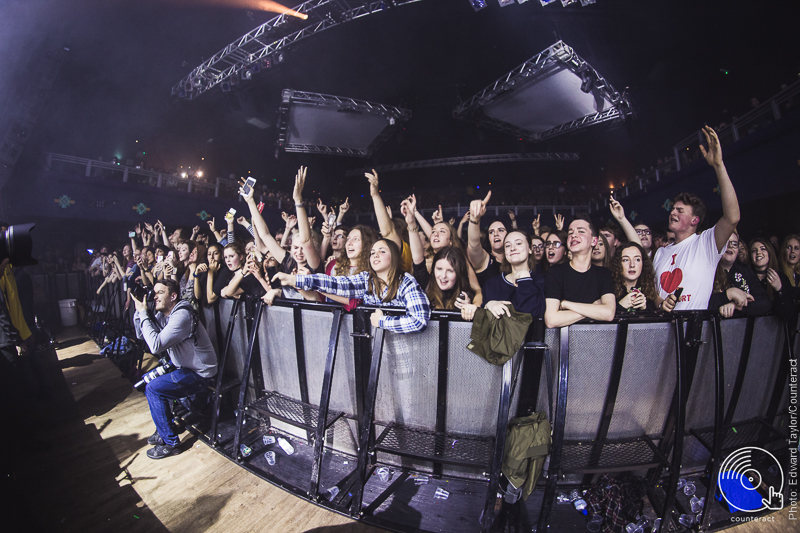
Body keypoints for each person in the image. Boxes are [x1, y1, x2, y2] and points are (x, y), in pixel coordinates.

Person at [653, 126, 740, 311]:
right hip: (664, 334)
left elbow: (732, 218)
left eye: (680, 210)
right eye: (673, 209)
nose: (673, 213)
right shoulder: (660, 253)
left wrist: (718, 166)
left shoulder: (705, 244)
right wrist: (662, 304)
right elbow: (656, 296)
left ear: (695, 220)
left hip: (693, 332)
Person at [132, 279, 218, 459]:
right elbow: (142, 335)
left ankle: (171, 443)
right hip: (184, 367)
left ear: (173, 296)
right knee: (147, 381)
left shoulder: (182, 315)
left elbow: (155, 345)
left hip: (200, 374)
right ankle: (164, 427)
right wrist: (140, 310)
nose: (154, 296)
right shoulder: (165, 315)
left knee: (154, 389)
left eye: (159, 293)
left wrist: (144, 314)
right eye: (153, 293)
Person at [273, 239, 431, 334]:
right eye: (372, 252)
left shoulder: (406, 282)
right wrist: (296, 280)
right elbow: (336, 283)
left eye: (382, 251)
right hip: (377, 352)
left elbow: (419, 319)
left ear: (394, 257)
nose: (375, 255)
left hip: (405, 352)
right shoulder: (366, 279)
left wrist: (382, 321)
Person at [544, 216, 616, 328]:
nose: (573, 235)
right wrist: (593, 307)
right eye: (570, 232)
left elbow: (608, 313)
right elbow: (552, 320)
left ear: (594, 241)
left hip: (597, 339)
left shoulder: (603, 274)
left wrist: (567, 304)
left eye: (581, 231)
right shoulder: (555, 272)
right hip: (565, 342)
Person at [707, 231, 768, 317]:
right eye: (726, 242)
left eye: (734, 244)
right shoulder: (708, 270)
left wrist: (736, 306)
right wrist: (728, 295)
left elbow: (764, 302)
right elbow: (700, 303)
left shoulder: (744, 270)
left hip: (742, 327)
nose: (730, 246)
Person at [749, 237, 795, 320]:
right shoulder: (746, 277)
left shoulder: (781, 276)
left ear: (769, 253)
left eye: (763, 249)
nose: (758, 252)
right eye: (754, 251)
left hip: (776, 330)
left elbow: (788, 314)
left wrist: (779, 289)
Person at [611, 242, 658, 313]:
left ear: (643, 263)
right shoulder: (609, 289)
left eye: (637, 259)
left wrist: (644, 309)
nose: (632, 265)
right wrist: (620, 307)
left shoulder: (648, 289)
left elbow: (655, 323)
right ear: (618, 263)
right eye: (626, 260)